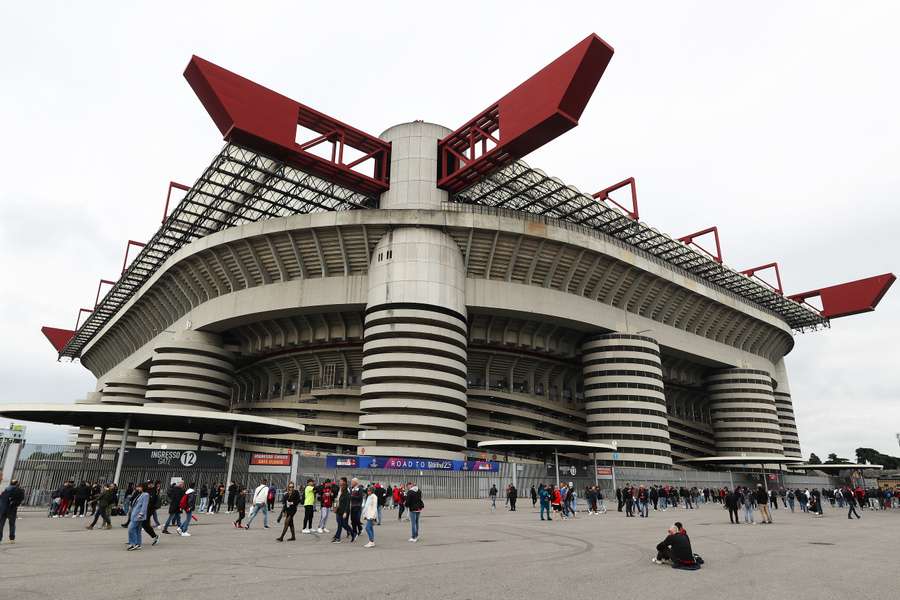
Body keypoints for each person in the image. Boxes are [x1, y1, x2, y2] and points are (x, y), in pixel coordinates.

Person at [0, 479, 25, 544]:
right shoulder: (19, 490)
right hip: (12, 510)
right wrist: (15, 504)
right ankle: (12, 539)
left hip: (3, 510)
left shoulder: (5, 490)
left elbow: (1, 499)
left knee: (1, 524)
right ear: (17, 484)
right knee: (12, 524)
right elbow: (21, 498)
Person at [331, 477, 355, 543]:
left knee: (344, 524)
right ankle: (337, 537)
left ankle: (352, 533)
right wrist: (335, 507)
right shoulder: (340, 490)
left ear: (344, 482)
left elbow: (348, 503)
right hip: (339, 509)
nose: (340, 482)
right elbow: (337, 499)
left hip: (344, 510)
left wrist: (345, 512)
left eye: (341, 481)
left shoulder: (347, 491)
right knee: (339, 524)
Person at [127, 482, 148, 551]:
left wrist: (141, 514)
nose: (137, 488)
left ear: (143, 487)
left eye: (139, 487)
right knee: (137, 530)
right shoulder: (140, 494)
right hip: (135, 514)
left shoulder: (145, 494)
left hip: (138, 516)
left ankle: (133, 543)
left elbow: (144, 505)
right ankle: (138, 544)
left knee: (131, 529)